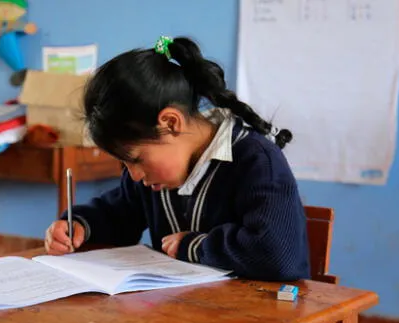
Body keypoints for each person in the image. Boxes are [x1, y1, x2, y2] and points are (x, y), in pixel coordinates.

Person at [45, 36, 310, 281]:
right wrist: (79, 225)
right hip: (183, 316)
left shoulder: (256, 161)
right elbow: (118, 216)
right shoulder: (155, 177)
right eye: (124, 164)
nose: (134, 175)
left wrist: (193, 246)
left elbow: (276, 254)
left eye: (136, 160)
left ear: (170, 123)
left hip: (258, 321)